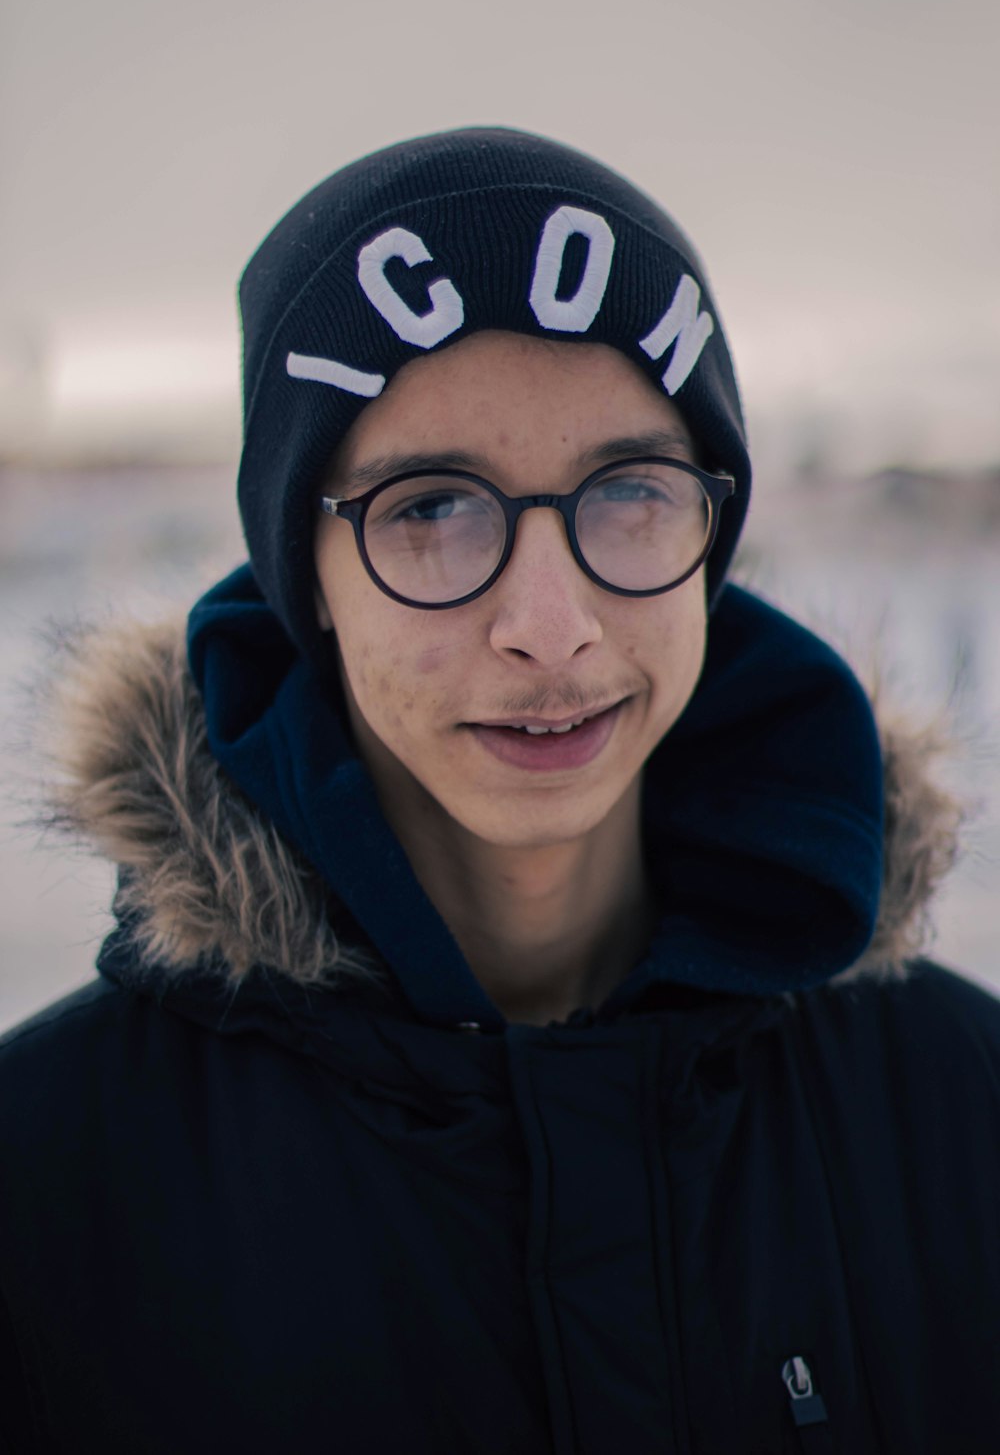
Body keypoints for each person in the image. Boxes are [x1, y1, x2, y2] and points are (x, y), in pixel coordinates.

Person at [0, 127, 997, 1454]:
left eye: (631, 492)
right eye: (430, 509)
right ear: (308, 580)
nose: (550, 624)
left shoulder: (960, 1108)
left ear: (711, 538)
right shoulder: (49, 1181)